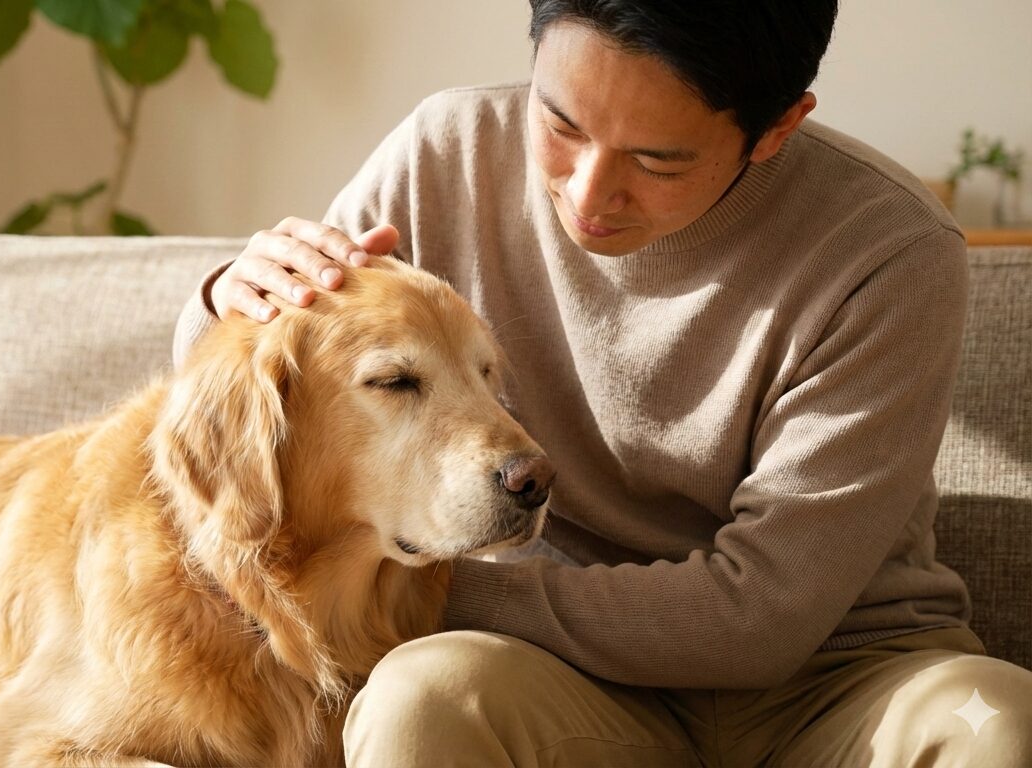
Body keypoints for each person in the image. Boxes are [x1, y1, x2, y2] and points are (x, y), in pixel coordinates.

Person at [172, 1, 1032, 765]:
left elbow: (760, 619)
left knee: (998, 722)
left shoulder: (890, 250)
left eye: (657, 162)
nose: (588, 195)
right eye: (561, 122)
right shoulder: (445, 150)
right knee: (420, 697)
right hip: (560, 677)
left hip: (839, 684)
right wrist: (227, 295)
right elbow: (262, 384)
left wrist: (414, 579)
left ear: (776, 129)